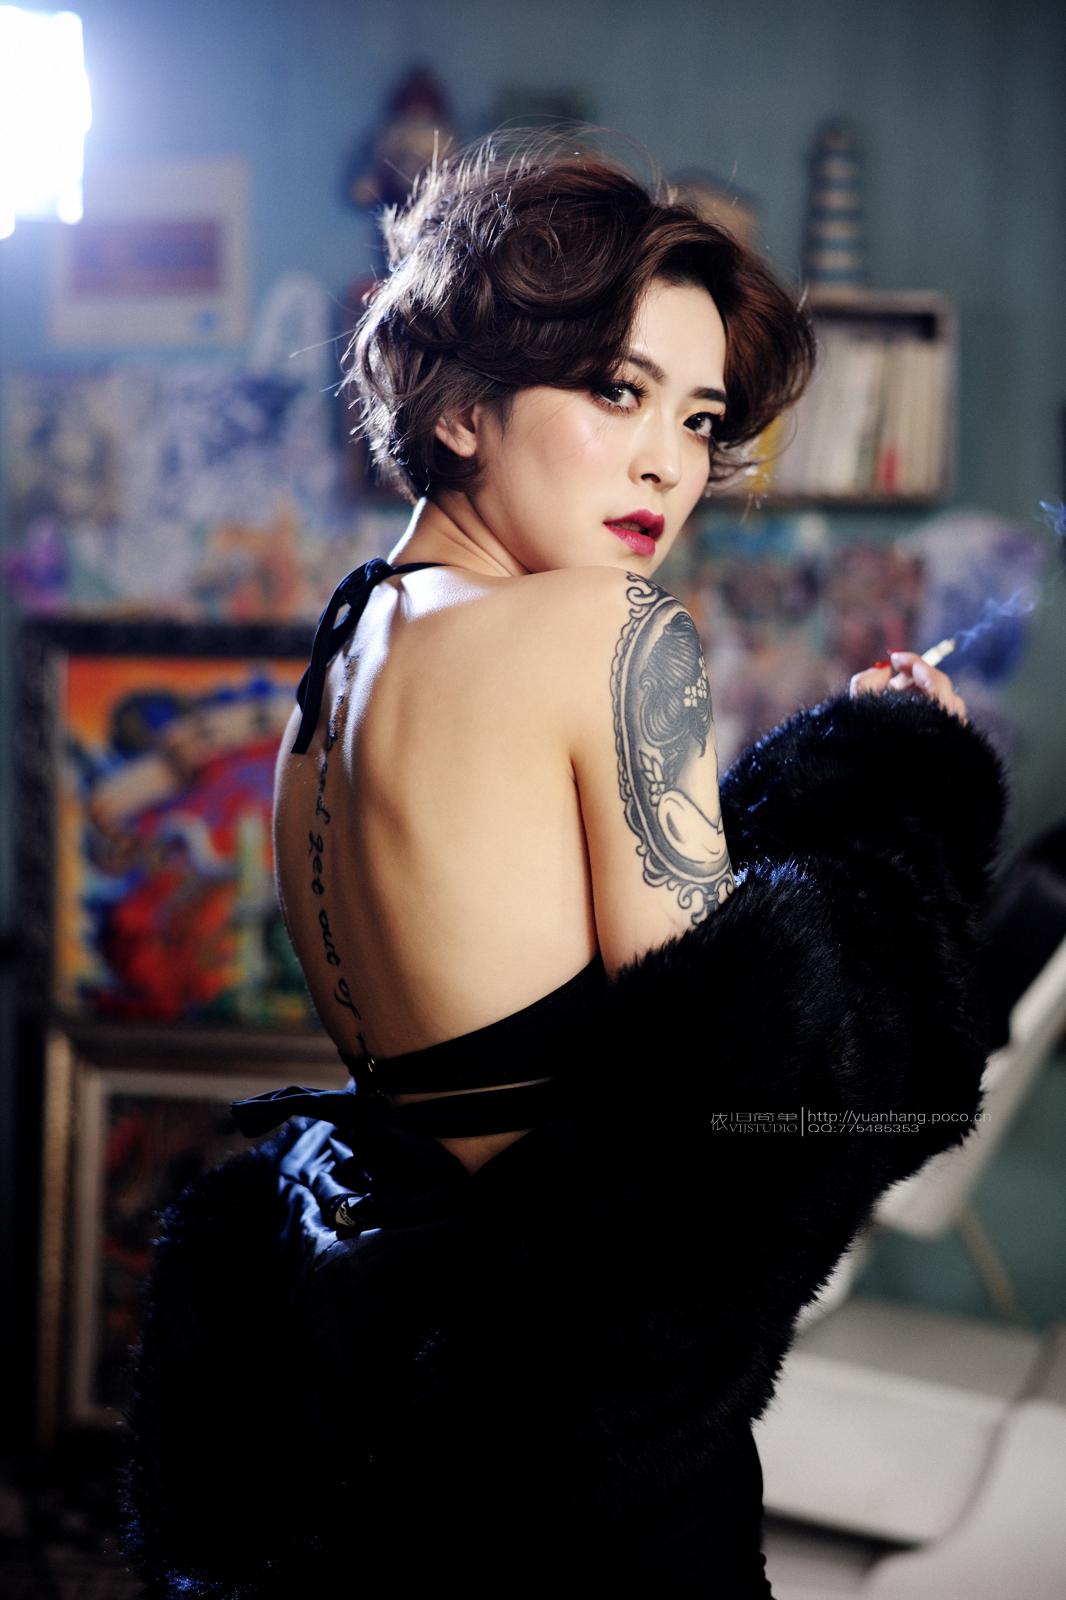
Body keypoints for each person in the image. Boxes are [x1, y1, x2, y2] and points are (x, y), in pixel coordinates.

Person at [121, 129, 1007, 1597]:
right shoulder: (612, 628)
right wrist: (895, 787)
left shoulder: (345, 653)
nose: (670, 461)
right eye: (616, 391)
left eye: (701, 419)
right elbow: (744, 1106)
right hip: (559, 1436)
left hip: (358, 1359)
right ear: (463, 402)